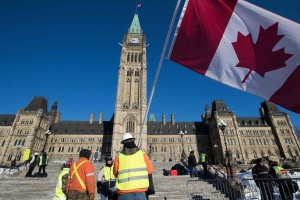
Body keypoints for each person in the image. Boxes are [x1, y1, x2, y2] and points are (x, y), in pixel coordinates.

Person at [113, 133, 153, 200]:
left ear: (123, 144)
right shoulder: (142, 154)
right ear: (133, 141)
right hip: (140, 191)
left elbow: (115, 173)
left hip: (124, 192)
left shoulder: (119, 156)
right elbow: (150, 170)